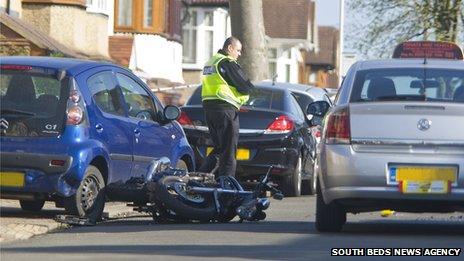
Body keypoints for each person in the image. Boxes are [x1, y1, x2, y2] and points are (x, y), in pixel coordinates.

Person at [198, 36, 255, 177]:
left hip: (210, 109)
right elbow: (246, 87)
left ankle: (198, 178)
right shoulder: (227, 62)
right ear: (230, 48)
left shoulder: (211, 62)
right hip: (225, 110)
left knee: (219, 148)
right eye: (238, 50)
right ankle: (227, 187)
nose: (239, 54)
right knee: (229, 152)